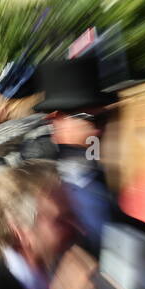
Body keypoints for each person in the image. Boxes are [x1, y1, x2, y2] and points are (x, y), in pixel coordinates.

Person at [32, 56, 118, 254]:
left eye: (103, 119)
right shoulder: (39, 181)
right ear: (58, 120)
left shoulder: (93, 169)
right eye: (91, 120)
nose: (100, 131)